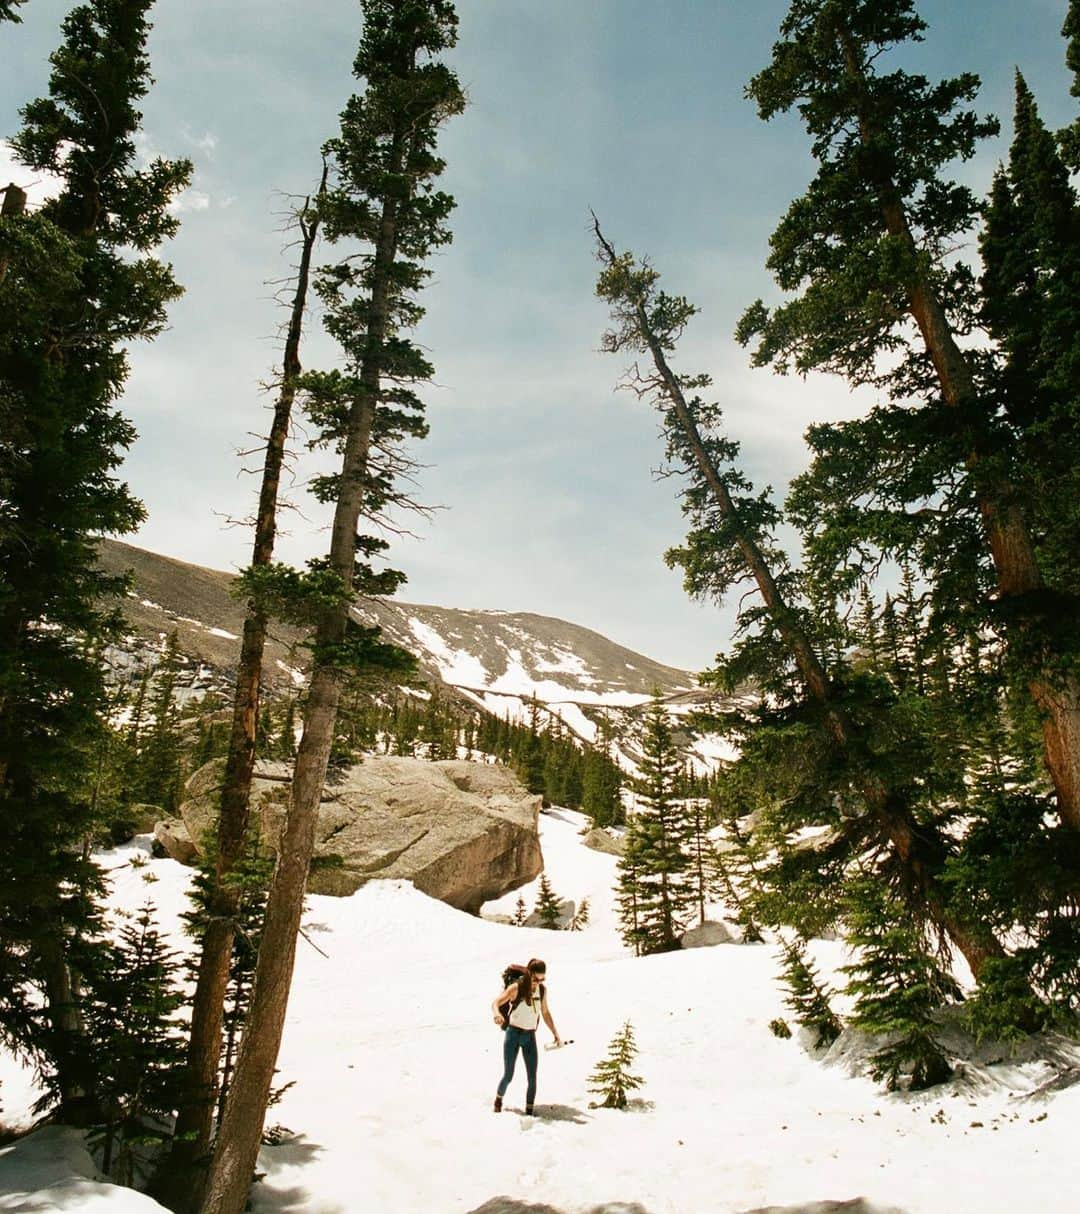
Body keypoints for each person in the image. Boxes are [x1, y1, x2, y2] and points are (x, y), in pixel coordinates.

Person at [491, 957, 561, 1115]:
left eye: (542, 979)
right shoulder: (516, 988)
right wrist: (497, 1014)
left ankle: (529, 1110)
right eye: (536, 978)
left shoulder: (542, 990)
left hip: (530, 1037)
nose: (539, 982)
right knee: (508, 1075)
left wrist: (555, 1033)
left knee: (532, 1077)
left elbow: (545, 1012)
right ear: (529, 973)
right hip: (513, 1034)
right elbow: (496, 1003)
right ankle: (498, 1099)